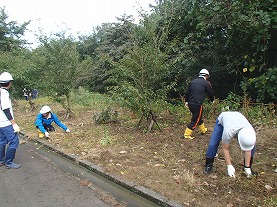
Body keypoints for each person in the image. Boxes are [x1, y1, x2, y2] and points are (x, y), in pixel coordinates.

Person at [204, 111, 257, 178]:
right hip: (223, 119)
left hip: (238, 117)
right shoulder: (228, 131)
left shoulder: (251, 132)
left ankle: (247, 167)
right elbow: (225, 148)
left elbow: (248, 149)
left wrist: (247, 167)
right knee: (213, 144)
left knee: (251, 146)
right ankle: (208, 165)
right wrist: (229, 166)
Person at [183, 69, 214, 139]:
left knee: (198, 117)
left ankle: (203, 130)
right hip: (197, 104)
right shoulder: (206, 83)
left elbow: (187, 92)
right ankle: (187, 134)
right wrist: (212, 100)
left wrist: (186, 101)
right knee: (196, 119)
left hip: (190, 103)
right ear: (206, 76)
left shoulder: (193, 81)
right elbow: (210, 93)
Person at [0, 72, 21, 169]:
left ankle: (1, 160)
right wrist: (13, 123)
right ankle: (8, 162)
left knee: (2, 140)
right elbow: (5, 109)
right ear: (9, 83)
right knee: (14, 141)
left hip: (0, 122)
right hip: (5, 123)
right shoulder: (4, 93)